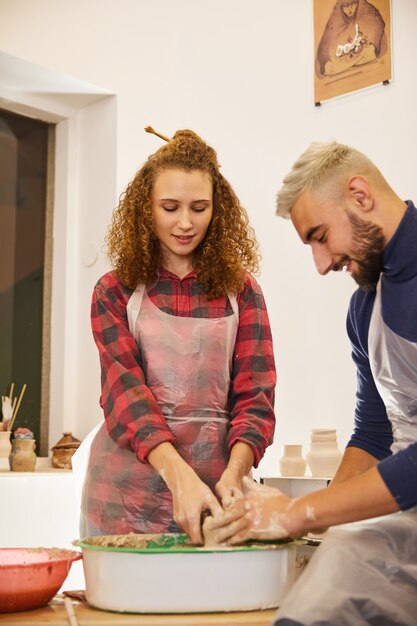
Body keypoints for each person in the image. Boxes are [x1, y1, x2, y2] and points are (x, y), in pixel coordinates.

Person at [209, 141, 417, 625]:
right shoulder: (365, 307)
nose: (322, 264)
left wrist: (301, 512)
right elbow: (373, 435)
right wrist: (319, 528)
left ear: (360, 194)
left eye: (320, 236)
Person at [80, 127, 276, 545]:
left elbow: (255, 398)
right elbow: (126, 397)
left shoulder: (243, 293)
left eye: (199, 208)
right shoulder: (114, 292)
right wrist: (180, 477)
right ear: (145, 210)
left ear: (217, 211)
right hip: (123, 500)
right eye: (170, 207)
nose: (185, 223)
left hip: (217, 500)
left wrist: (236, 474)